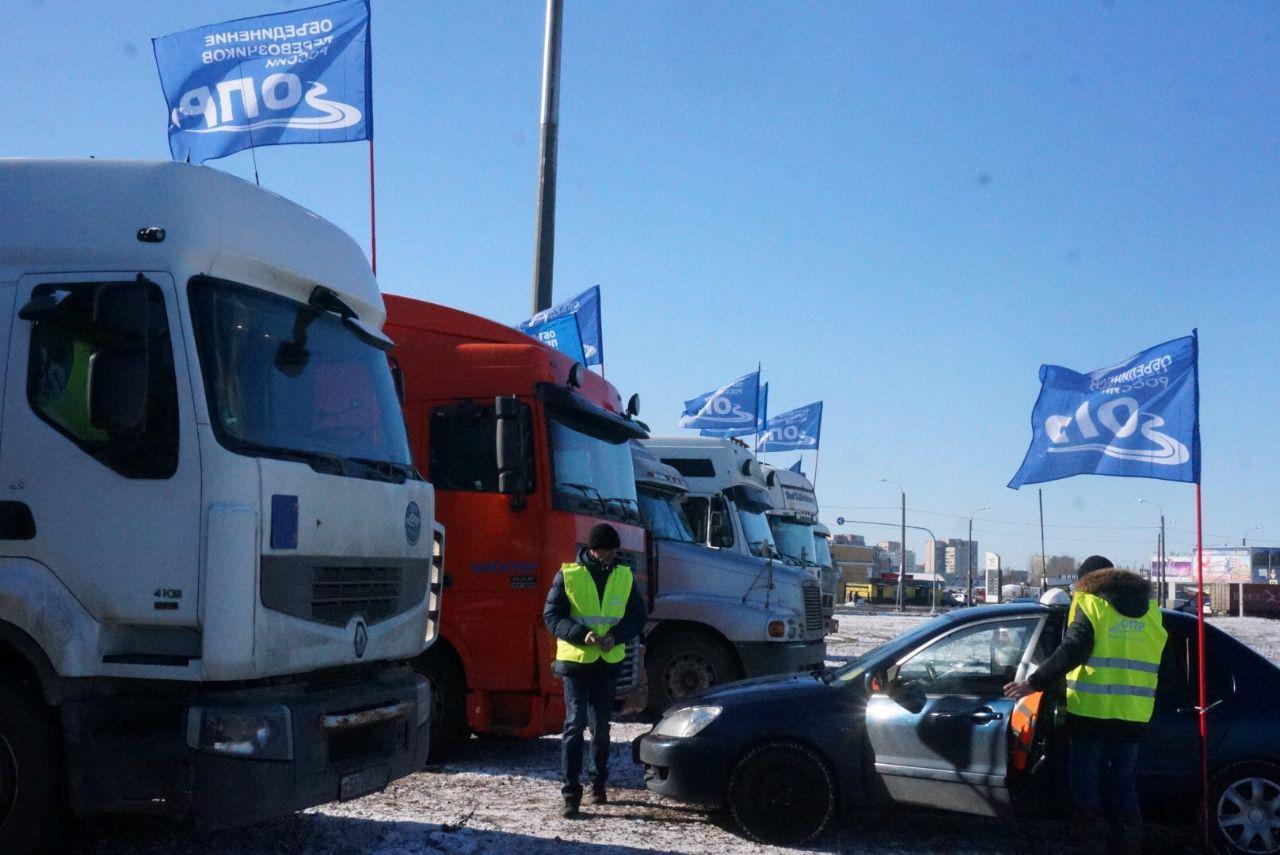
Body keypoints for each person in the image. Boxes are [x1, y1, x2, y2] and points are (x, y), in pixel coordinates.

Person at [1004, 555, 1168, 855]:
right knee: (1124, 788)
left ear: (1086, 581)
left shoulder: (1091, 604)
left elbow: (1072, 650)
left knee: (1085, 786)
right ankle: (1128, 846)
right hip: (1133, 714)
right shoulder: (1152, 612)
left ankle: (1088, 846)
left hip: (1090, 712)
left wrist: (1034, 682)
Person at [543, 523, 647, 819]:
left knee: (601, 728)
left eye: (613, 551)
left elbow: (637, 616)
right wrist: (581, 634)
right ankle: (570, 794)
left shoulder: (623, 576)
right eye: (605, 551)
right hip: (576, 661)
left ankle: (598, 783)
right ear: (591, 550)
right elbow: (552, 615)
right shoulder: (569, 575)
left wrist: (617, 635)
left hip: (608, 662)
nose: (609, 556)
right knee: (574, 724)